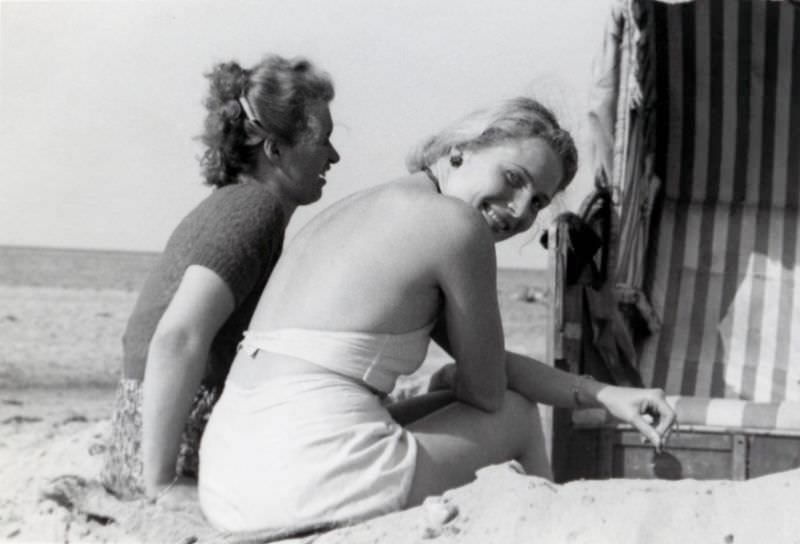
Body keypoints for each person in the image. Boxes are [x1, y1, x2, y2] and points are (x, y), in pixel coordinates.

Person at [198, 97, 675, 533]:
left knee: (459, 387)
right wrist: (461, 378)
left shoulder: (367, 206)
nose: (518, 211)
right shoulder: (457, 226)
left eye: (538, 203)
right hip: (306, 479)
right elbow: (490, 394)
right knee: (517, 413)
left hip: (227, 480)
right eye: (512, 179)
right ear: (460, 150)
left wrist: (605, 394)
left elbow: (485, 369)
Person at [101, 53, 340, 501]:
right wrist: (161, 482)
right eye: (323, 140)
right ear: (274, 150)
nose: (335, 155)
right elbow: (177, 336)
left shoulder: (231, 204)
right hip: (174, 444)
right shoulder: (255, 210)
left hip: (140, 436)